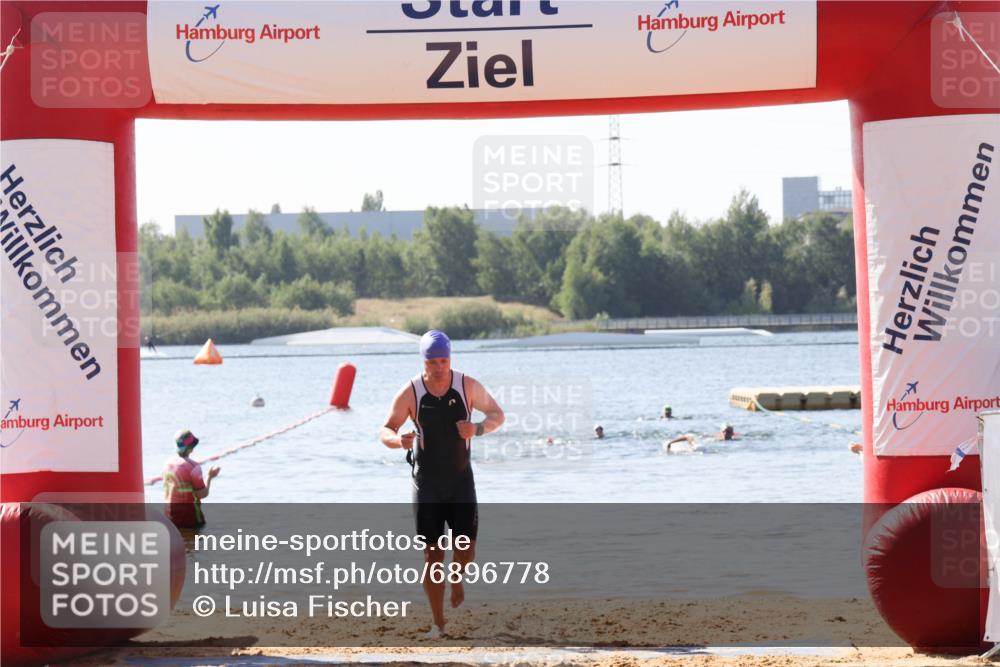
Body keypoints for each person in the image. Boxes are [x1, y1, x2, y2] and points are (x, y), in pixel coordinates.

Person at [379, 330, 505, 639]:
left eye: (444, 361)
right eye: (433, 362)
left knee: (467, 551)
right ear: (424, 361)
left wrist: (477, 428)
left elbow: (498, 415)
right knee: (432, 556)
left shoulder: (467, 386)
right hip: (427, 485)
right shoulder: (410, 392)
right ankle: (438, 624)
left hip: (461, 482)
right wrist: (399, 441)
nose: (439, 368)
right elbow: (385, 430)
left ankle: (457, 575)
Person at [162, 429, 220, 529]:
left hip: (170, 518)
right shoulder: (193, 467)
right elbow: (202, 494)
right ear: (191, 448)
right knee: (194, 542)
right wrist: (210, 477)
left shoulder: (167, 464)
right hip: (190, 519)